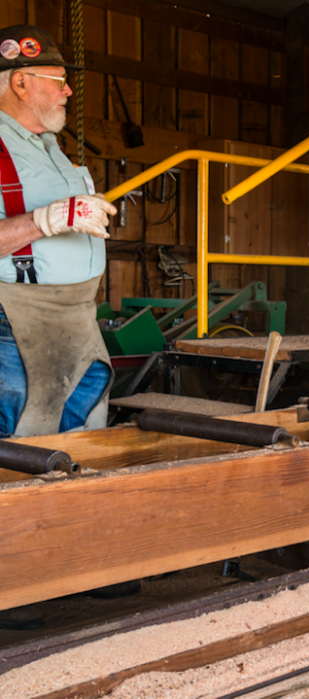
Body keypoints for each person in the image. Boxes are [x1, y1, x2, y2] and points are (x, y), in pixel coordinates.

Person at [0, 24, 128, 631]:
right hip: (16, 320)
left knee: (83, 436)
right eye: (58, 82)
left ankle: (72, 562)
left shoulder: (52, 150)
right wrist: (48, 219)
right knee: (22, 444)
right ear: (20, 81)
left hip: (77, 315)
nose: (68, 93)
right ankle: (12, 579)